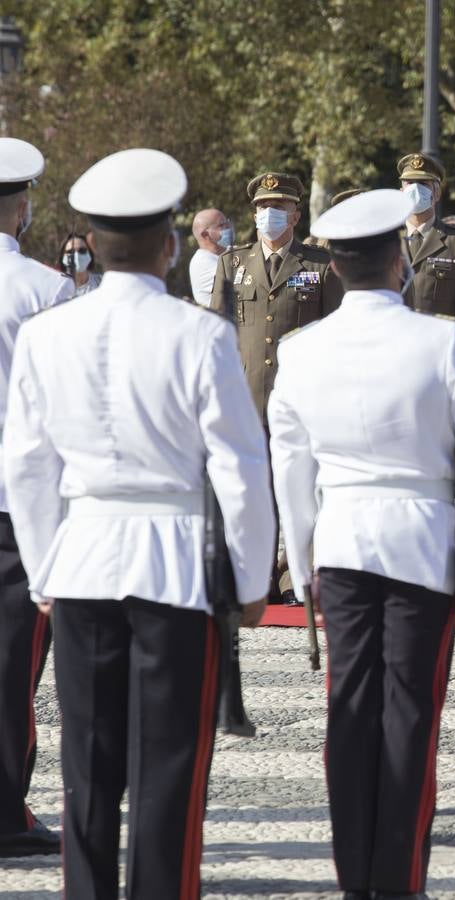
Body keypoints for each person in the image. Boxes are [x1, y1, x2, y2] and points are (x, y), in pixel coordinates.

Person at [4, 148, 274, 899]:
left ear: (90, 242)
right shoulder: (201, 335)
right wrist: (250, 580)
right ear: (169, 244)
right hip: (175, 564)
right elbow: (240, 473)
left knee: (86, 765)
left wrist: (44, 568)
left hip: (82, 558)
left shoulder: (48, 333)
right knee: (168, 768)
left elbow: (27, 464)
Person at [269, 189, 455, 900]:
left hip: (339, 546)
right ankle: (397, 881)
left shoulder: (300, 349)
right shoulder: (442, 340)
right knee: (409, 715)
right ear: (399, 260)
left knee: (348, 712)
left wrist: (302, 555)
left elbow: (291, 467)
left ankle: (355, 880)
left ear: (337, 267)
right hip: (424, 546)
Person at [210, 171, 343, 604]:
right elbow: (218, 333)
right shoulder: (233, 264)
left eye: (279, 207)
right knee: (252, 492)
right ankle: (258, 575)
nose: (270, 214)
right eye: (263, 207)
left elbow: (334, 333)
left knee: (300, 488)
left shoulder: (318, 267)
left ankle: (295, 576)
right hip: (247, 396)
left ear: (296, 214)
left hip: (301, 398)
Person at [0, 137, 72, 860]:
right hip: (15, 500)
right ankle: (4, 810)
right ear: (21, 207)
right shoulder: (45, 289)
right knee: (12, 665)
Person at [398, 153, 455, 354]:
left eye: (424, 184)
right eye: (410, 183)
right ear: (401, 190)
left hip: (439, 354)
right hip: (393, 354)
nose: (415, 190)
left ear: (437, 193)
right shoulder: (386, 239)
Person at [189, 208, 232, 306]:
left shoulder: (227, 251)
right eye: (222, 225)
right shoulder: (201, 262)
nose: (229, 227)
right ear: (205, 234)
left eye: (227, 222)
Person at [58, 232, 102, 296]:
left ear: (90, 254)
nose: (77, 255)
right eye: (70, 252)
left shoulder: (103, 283)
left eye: (82, 250)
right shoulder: (57, 289)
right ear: (63, 257)